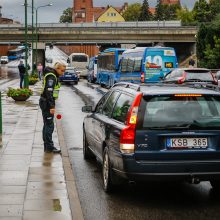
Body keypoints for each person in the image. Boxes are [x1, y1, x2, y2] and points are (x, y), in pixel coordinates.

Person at [39, 62, 66, 153]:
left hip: (45, 101)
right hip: (47, 103)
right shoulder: (52, 76)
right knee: (49, 125)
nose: (63, 72)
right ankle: (49, 147)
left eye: (64, 71)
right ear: (57, 69)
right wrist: (52, 106)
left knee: (46, 124)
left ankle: (47, 146)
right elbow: (49, 91)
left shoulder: (52, 75)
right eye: (62, 70)